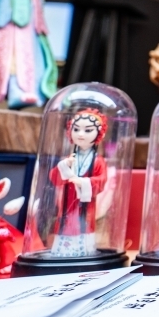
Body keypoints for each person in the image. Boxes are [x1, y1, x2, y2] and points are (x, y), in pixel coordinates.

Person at [48, 109, 108, 257]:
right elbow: (54, 178)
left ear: (99, 134)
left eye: (88, 130)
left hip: (85, 205)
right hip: (67, 202)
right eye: (76, 129)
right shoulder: (69, 158)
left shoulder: (98, 161)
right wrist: (64, 166)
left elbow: (101, 180)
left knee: (83, 225)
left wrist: (83, 182)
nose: (80, 134)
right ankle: (62, 251)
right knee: (65, 224)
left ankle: (83, 252)